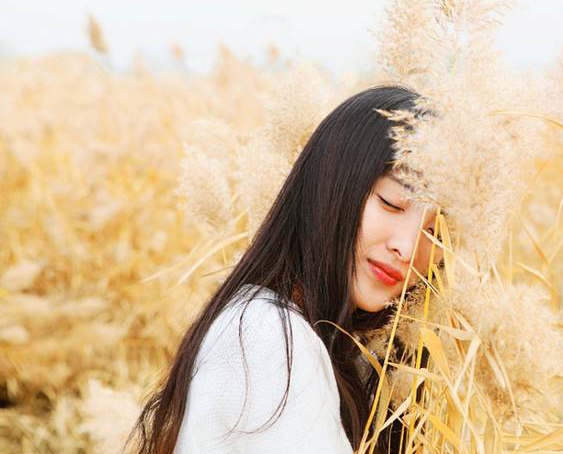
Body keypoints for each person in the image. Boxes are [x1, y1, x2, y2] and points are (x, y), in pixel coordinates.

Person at [128, 85, 443, 454]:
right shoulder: (268, 340)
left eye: (435, 234)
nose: (406, 248)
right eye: (391, 203)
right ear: (334, 185)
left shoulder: (338, 346)